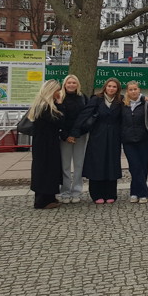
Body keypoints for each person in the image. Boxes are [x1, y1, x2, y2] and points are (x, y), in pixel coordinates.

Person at [77, 77, 123, 204]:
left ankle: (110, 193)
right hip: (98, 135)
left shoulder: (121, 100)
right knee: (97, 164)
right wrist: (75, 132)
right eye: (109, 86)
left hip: (114, 136)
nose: (111, 89)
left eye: (114, 86)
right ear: (105, 87)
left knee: (111, 164)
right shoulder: (96, 99)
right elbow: (84, 115)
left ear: (117, 89)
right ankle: (96, 193)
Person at [121, 81, 148, 203]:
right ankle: (143, 192)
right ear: (127, 91)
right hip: (128, 140)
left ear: (139, 90)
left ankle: (135, 192)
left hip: (143, 139)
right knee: (134, 166)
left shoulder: (147, 104)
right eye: (130, 89)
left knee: (143, 166)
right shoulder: (122, 104)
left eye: (135, 89)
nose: (133, 91)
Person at [28, 80, 64, 209]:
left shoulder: (40, 105)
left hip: (44, 141)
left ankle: (48, 197)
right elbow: (59, 121)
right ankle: (43, 200)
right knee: (46, 170)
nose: (59, 93)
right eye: (57, 90)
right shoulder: (46, 107)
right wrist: (60, 104)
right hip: (46, 143)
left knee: (46, 169)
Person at [56, 74, 88, 203]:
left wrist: (76, 133)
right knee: (65, 165)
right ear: (65, 84)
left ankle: (76, 191)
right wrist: (66, 135)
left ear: (77, 84)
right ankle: (65, 191)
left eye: (74, 83)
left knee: (79, 164)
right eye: (69, 82)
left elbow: (85, 116)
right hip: (64, 136)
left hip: (80, 135)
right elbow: (58, 117)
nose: (71, 85)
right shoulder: (59, 97)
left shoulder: (83, 98)